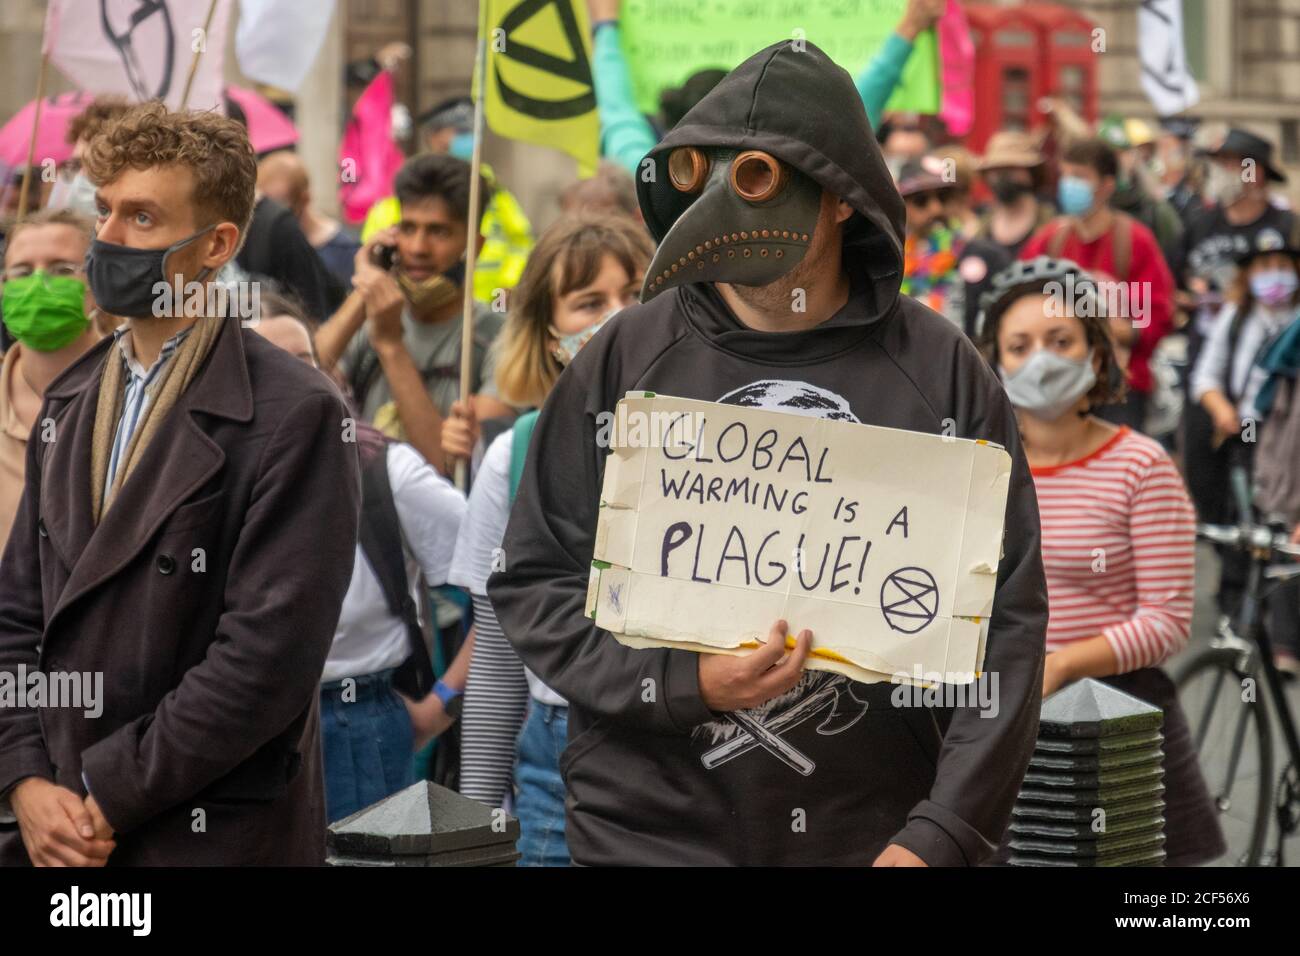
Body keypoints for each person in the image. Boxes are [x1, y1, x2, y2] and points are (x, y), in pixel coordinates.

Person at [487, 40, 1047, 867]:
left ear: (843, 200)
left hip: (869, 837)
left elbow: (1004, 624)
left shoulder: (940, 374)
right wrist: (686, 683)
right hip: (646, 833)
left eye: (760, 179)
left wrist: (940, 835)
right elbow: (538, 582)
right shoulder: (623, 360)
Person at [0, 102, 360, 866]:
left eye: (141, 217)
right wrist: (26, 780)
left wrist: (110, 792)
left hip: (206, 832)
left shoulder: (296, 413)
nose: (106, 238)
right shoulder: (70, 401)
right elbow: (18, 618)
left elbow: (265, 659)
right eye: (103, 210)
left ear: (216, 245)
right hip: (60, 832)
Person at [976, 256, 1226, 865]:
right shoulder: (982, 468)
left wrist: (1059, 667)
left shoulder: (1142, 467)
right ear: (997, 365)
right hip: (1001, 716)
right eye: (1020, 345)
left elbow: (1166, 621)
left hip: (1119, 722)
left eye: (1061, 340)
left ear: (1094, 355)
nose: (1041, 357)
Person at [448, 213, 652, 865]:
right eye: (590, 302)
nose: (619, 318)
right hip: (558, 768)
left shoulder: (725, 449)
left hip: (692, 758)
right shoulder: (515, 455)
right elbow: (499, 657)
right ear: (549, 335)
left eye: (637, 295)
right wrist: (478, 822)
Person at [249, 291, 470, 822]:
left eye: (301, 363)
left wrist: (440, 705)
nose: (282, 382)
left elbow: (510, 582)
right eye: (256, 365)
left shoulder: (384, 473)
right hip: (237, 733)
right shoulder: (198, 478)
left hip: (354, 729)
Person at [316, 153, 514, 477]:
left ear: (474, 246)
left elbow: (447, 465)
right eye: (408, 228)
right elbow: (303, 375)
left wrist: (392, 346)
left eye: (438, 231)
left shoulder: (502, 339)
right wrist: (365, 287)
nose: (418, 248)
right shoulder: (370, 320)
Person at [1180, 129, 1300, 532]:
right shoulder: (1200, 223)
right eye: (1218, 164)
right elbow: (1168, 284)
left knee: (1263, 479)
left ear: (1258, 172)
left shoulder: (1286, 224)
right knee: (1209, 480)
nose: (1222, 173)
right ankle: (1230, 567)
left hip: (1274, 399)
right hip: (1213, 374)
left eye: (1233, 164)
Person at [1020, 137, 1175, 432]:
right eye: (1065, 175)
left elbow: (1157, 314)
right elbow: (1018, 301)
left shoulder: (1134, 241)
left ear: (1106, 185)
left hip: (1119, 389)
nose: (1069, 185)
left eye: (1079, 177)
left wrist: (1119, 329)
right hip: (1056, 385)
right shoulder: (1049, 240)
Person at [360, 96, 534, 305]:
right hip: (416, 310)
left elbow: (521, 243)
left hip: (484, 308)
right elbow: (376, 254)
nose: (418, 247)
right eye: (461, 132)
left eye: (474, 131)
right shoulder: (405, 192)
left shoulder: (494, 191)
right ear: (434, 136)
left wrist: (505, 290)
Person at [0, 210, 103, 548]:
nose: (38, 284)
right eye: (22, 272)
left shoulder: (140, 395)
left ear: (98, 282)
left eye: (61, 270)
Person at [956, 131, 1055, 337]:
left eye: (1011, 169)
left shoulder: (1051, 227)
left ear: (1030, 173)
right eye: (996, 170)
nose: (1002, 177)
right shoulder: (977, 229)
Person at [257, 151, 362, 289]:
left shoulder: (345, 251)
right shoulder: (266, 246)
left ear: (305, 199)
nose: (271, 216)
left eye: (279, 208)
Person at [898, 156, 965, 327]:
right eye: (921, 200)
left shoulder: (970, 250)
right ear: (901, 205)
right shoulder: (890, 257)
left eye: (943, 197)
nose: (936, 209)